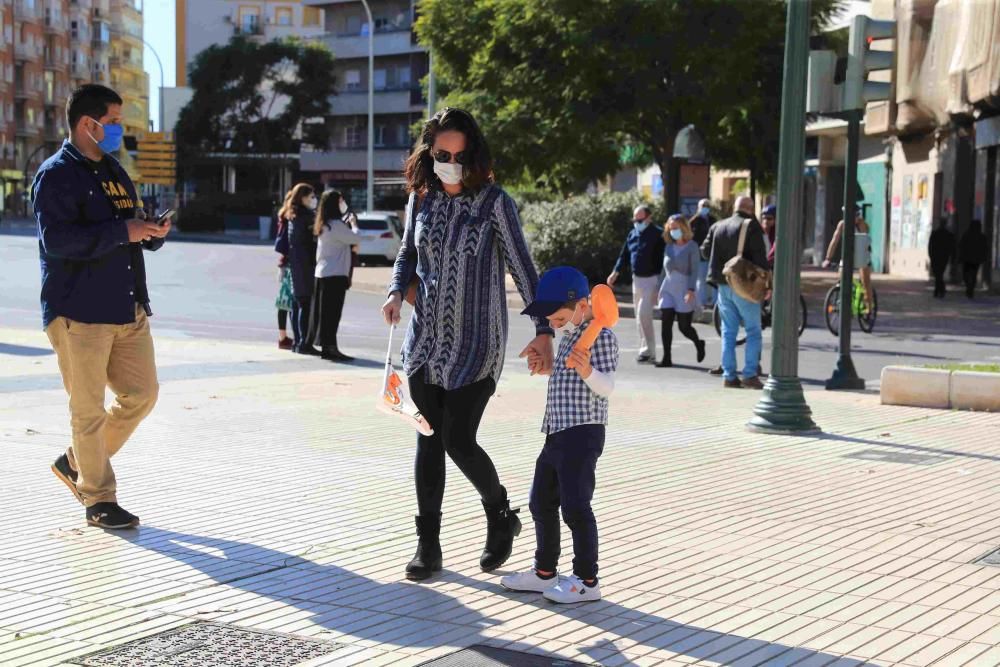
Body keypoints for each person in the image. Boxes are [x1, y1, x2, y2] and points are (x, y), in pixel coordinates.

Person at [381, 107, 554, 581]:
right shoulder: (421, 199)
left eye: (459, 155)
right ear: (429, 153)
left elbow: (522, 267)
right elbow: (407, 255)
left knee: (459, 438)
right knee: (428, 438)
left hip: (478, 344)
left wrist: (544, 330)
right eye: (442, 154)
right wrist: (397, 292)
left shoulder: (495, 202)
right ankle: (427, 545)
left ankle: (500, 514)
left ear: (472, 155)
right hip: (425, 345)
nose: (450, 163)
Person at [34, 84, 171, 529]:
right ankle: (99, 498)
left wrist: (149, 232)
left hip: (126, 304)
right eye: (112, 121)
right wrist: (122, 232)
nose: (118, 129)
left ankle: (77, 462)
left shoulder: (113, 169)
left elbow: (126, 229)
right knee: (87, 409)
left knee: (143, 394)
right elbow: (57, 242)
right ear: (87, 124)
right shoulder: (55, 175)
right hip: (79, 310)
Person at [500, 266, 619, 604]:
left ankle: (586, 579)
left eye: (558, 317)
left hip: (582, 434)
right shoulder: (570, 336)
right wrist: (547, 368)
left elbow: (606, 386)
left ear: (583, 305)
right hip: (555, 431)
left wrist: (588, 370)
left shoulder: (603, 336)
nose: (553, 325)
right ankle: (544, 572)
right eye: (549, 321)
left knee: (576, 507)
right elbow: (567, 376)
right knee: (541, 501)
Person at [701, 196, 767, 390]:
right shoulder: (751, 227)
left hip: (723, 285)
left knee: (728, 332)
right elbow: (760, 259)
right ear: (750, 209)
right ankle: (750, 374)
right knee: (753, 330)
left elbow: (705, 251)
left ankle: (729, 376)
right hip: (744, 287)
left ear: (735, 208)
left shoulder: (718, 226)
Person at [607, 205, 664, 363]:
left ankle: (649, 350)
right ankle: (645, 349)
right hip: (636, 280)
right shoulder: (633, 234)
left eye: (640, 220)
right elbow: (624, 255)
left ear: (648, 218)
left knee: (643, 313)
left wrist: (660, 284)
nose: (637, 223)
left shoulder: (658, 234)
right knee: (639, 317)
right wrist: (615, 272)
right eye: (635, 220)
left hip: (652, 279)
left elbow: (664, 260)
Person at [310, 190, 360, 361]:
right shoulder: (336, 225)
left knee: (324, 314)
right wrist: (353, 223)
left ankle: (327, 347)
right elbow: (356, 237)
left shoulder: (325, 224)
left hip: (323, 273)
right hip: (335, 275)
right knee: (332, 314)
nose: (343, 203)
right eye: (341, 200)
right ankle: (331, 348)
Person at [655, 214, 705, 368]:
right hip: (668, 288)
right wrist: (658, 289)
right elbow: (664, 270)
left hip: (684, 288)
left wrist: (691, 290)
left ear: (683, 228)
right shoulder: (668, 247)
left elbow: (695, 270)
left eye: (675, 228)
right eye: (670, 228)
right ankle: (667, 358)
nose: (672, 231)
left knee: (684, 327)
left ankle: (698, 343)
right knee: (666, 322)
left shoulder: (692, 246)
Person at [280, 183, 320, 355]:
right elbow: (313, 240)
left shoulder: (292, 214)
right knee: (305, 304)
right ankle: (304, 342)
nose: (313, 200)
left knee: (297, 304)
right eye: (310, 196)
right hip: (306, 265)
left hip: (295, 264)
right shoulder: (306, 216)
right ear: (302, 197)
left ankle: (298, 341)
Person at [822, 207, 873, 309]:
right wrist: (828, 258)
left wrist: (860, 226)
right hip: (848, 255)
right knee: (842, 276)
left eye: (856, 216)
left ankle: (869, 306)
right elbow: (834, 241)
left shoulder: (862, 224)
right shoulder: (842, 224)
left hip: (862, 256)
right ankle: (847, 301)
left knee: (865, 281)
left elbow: (864, 243)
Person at [688, 198, 716, 311]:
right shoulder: (693, 221)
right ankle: (701, 302)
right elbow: (690, 238)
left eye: (707, 205)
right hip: (699, 255)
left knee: (714, 280)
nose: (705, 207)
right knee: (701, 279)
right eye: (703, 205)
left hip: (712, 254)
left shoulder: (713, 220)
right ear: (698, 207)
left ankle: (715, 303)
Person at [273, 216, 295, 349]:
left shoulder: (283, 218)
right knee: (292, 302)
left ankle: (282, 337)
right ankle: (289, 338)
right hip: (292, 264)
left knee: (284, 302)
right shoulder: (292, 218)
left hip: (285, 263)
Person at [959, 219, 987, 299]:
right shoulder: (981, 237)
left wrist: (961, 257)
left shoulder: (967, 235)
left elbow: (961, 246)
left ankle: (969, 287)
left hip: (968, 259)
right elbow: (985, 249)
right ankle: (970, 288)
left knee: (966, 274)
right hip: (975, 259)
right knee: (973, 274)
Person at [927, 218, 955, 299]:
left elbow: (930, 246)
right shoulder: (948, 235)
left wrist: (931, 255)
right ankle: (940, 289)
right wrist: (952, 257)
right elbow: (952, 248)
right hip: (943, 257)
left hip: (936, 257)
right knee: (939, 273)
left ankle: (938, 290)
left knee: (938, 274)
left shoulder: (935, 233)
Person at [761, 204, 777, 269]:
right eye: (764, 218)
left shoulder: (777, 234)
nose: (765, 221)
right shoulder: (758, 232)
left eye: (769, 219)